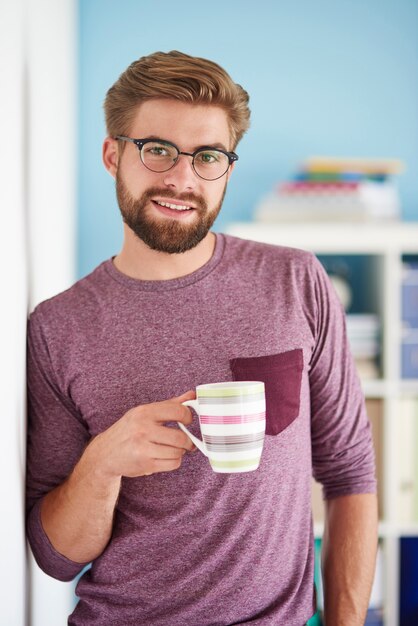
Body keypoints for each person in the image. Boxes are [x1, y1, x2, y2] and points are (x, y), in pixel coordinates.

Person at [26, 50, 378, 626]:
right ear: (113, 156)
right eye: (157, 149)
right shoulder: (58, 326)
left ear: (227, 169)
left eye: (206, 156)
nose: (181, 178)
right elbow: (56, 557)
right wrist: (100, 466)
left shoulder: (296, 281)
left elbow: (350, 475)